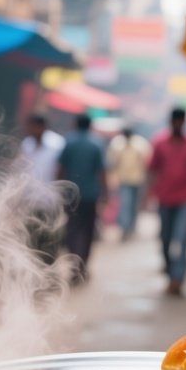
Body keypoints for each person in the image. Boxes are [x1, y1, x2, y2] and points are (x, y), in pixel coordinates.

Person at [149, 107, 186, 296]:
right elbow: (152, 169)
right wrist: (148, 195)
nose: (178, 124)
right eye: (176, 121)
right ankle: (170, 271)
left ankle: (178, 278)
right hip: (165, 199)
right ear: (171, 122)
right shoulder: (159, 142)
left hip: (185, 199)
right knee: (165, 238)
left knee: (183, 238)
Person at [57, 115, 107, 283]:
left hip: (71, 195)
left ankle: (74, 265)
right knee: (88, 231)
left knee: (72, 230)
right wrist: (105, 193)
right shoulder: (96, 143)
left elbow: (60, 168)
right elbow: (102, 172)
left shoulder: (68, 142)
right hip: (90, 195)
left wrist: (58, 189)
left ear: (75, 124)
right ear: (90, 125)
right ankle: (82, 264)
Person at [106, 126, 151, 240]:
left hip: (137, 179)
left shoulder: (140, 144)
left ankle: (131, 227)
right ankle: (125, 228)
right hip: (123, 180)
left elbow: (146, 162)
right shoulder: (117, 145)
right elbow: (112, 162)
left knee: (134, 205)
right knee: (125, 204)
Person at [21, 114, 65, 183]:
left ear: (42, 127)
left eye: (33, 127)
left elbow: (61, 168)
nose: (29, 129)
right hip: (30, 185)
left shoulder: (57, 143)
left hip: (50, 185)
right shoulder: (27, 143)